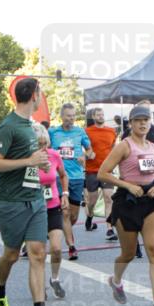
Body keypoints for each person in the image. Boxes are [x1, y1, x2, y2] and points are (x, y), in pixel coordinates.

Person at [0, 78, 61, 306]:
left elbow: (28, 160)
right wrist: (29, 160)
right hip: (11, 202)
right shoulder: (8, 126)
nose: (42, 98)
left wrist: (38, 164)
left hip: (36, 199)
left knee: (38, 253)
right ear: (33, 95)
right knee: (10, 255)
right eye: (40, 93)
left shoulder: (32, 127)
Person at [98, 105, 154, 306]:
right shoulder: (124, 145)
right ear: (130, 124)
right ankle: (116, 280)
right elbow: (103, 173)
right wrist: (127, 185)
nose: (142, 123)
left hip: (150, 200)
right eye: (138, 120)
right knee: (128, 253)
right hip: (128, 200)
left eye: (146, 120)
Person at [48, 103, 94, 261]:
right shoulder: (53, 132)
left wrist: (85, 156)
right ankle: (72, 247)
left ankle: (56, 229)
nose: (72, 118)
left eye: (73, 116)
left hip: (76, 177)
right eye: (68, 116)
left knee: (73, 216)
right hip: (58, 178)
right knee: (65, 212)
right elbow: (44, 149)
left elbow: (90, 151)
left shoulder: (80, 132)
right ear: (62, 116)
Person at [35, 127, 71, 298]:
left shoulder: (54, 155)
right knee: (39, 252)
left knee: (56, 249)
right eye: (38, 144)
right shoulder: (27, 159)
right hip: (34, 210)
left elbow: (63, 176)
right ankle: (39, 285)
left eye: (45, 144)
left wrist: (65, 194)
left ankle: (54, 279)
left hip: (53, 206)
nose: (42, 148)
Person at [84, 107, 118, 242]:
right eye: (98, 115)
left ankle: (110, 229)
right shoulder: (87, 131)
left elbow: (114, 148)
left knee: (109, 199)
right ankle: (90, 216)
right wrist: (87, 154)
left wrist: (115, 160)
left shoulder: (111, 131)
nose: (101, 116)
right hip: (92, 170)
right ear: (93, 116)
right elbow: (83, 149)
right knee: (91, 201)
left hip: (106, 170)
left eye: (102, 114)